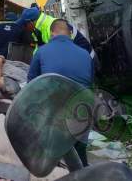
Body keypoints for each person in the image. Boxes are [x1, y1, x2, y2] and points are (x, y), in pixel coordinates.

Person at [27, 18, 94, 166]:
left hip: (56, 111)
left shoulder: (42, 52)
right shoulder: (85, 54)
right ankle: (82, 167)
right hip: (83, 108)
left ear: (52, 33)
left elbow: (31, 83)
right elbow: (90, 82)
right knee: (79, 153)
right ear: (70, 34)